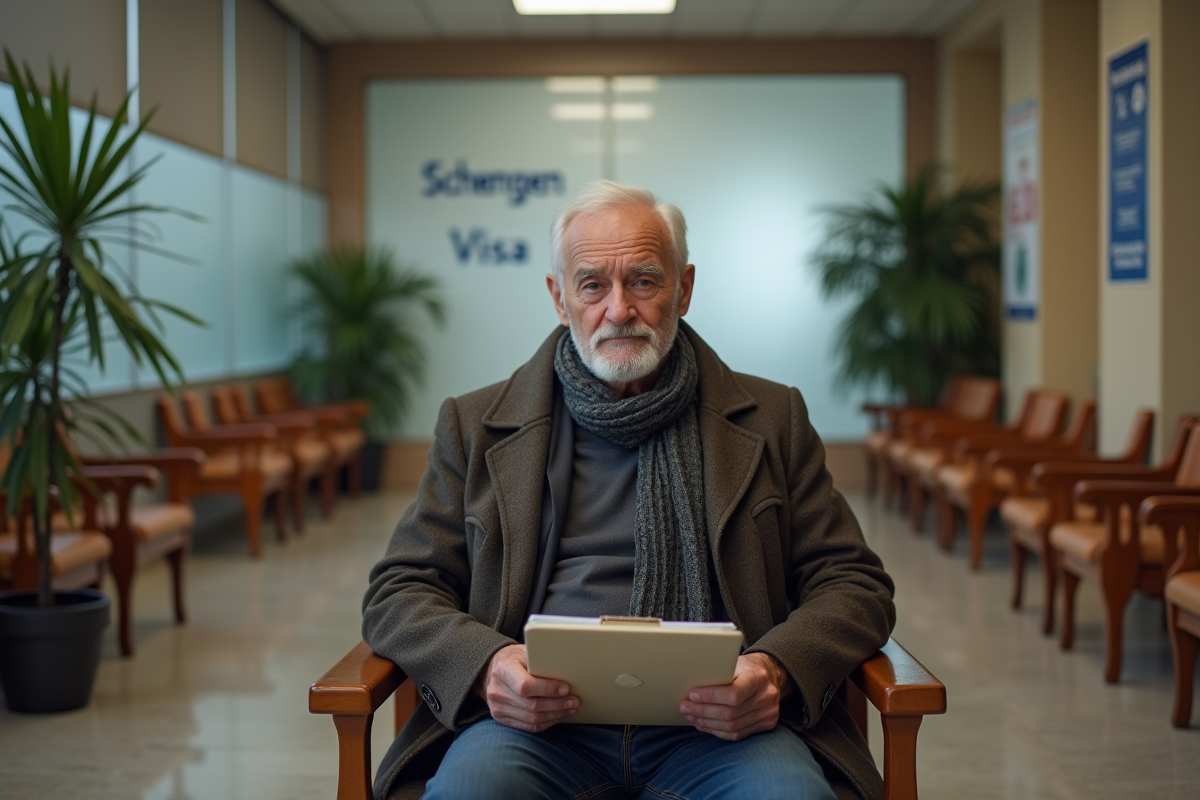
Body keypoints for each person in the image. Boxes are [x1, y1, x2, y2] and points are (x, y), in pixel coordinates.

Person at [362, 180, 896, 800]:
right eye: (592, 285)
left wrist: (772, 669)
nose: (619, 310)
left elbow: (856, 585)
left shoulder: (772, 418)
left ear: (685, 289)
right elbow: (399, 591)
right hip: (533, 727)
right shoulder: (476, 425)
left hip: (724, 729)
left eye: (644, 280)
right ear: (559, 299)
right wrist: (488, 667)